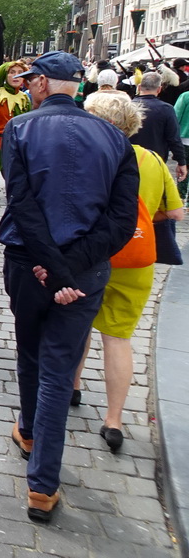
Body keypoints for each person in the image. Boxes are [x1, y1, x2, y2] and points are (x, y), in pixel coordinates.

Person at [0, 51, 139, 524]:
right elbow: (121, 222)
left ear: (41, 84)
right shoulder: (117, 140)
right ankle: (42, 484)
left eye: (30, 80)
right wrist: (70, 269)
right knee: (59, 371)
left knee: (30, 354)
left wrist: (52, 267)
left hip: (31, 265)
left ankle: (30, 433)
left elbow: (21, 201)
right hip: (85, 272)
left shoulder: (21, 129)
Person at [70, 91, 183, 451]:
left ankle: (72, 387)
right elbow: (176, 213)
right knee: (118, 339)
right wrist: (144, 218)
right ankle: (114, 420)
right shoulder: (150, 159)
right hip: (135, 258)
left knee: (79, 324)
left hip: (90, 255)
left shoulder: (89, 155)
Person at [0, 61, 32, 191]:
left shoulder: (25, 98)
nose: (16, 76)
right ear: (4, 75)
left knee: (18, 182)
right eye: (12, 72)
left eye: (20, 73)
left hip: (17, 145)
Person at [129, 71, 187, 186]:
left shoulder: (127, 106)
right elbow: (173, 138)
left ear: (139, 87)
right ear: (159, 89)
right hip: (155, 159)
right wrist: (181, 162)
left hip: (129, 159)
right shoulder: (166, 109)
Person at [175, 87, 189, 201]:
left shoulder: (185, 96)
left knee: (183, 167)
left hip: (185, 138)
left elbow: (176, 115)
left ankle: (180, 196)